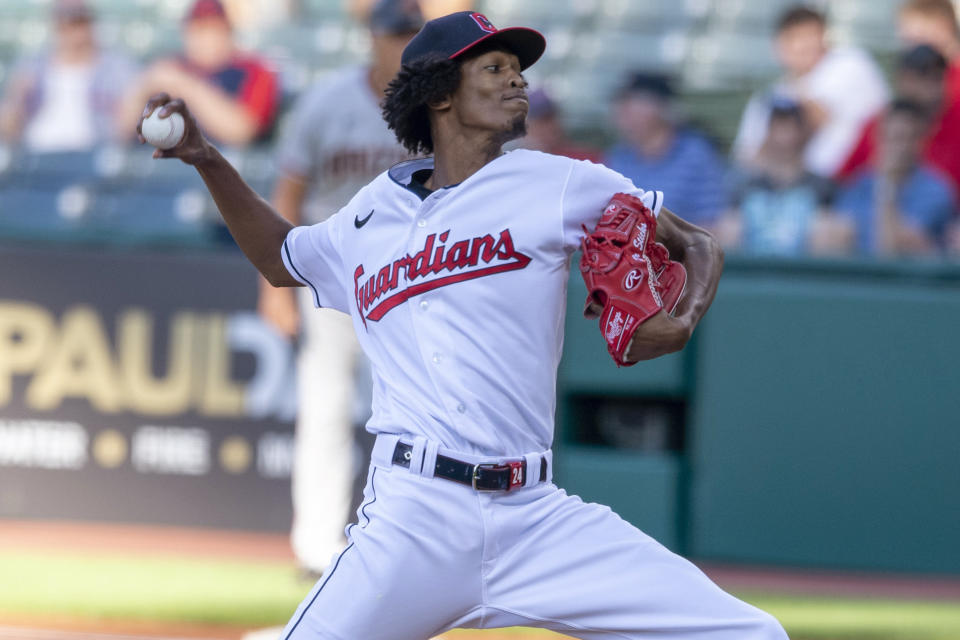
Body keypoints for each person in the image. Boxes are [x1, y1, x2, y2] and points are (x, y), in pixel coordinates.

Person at [137, 11, 787, 639]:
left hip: (535, 517)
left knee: (752, 633)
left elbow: (697, 244)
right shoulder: (371, 215)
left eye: (518, 68)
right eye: (495, 66)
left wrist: (682, 321)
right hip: (416, 517)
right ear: (441, 93)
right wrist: (207, 159)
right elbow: (282, 257)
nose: (517, 79)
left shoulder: (562, 183)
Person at [257, 0, 424, 580]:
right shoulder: (327, 99)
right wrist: (274, 282)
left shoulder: (438, 106)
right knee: (324, 408)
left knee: (409, 416)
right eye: (391, 34)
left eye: (409, 34)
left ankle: (398, 540)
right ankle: (315, 547)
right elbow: (288, 191)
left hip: (409, 279)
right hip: (331, 271)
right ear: (371, 38)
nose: (398, 44)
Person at [732, 6, 888, 177]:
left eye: (810, 36)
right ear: (778, 45)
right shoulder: (767, 97)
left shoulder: (851, 63)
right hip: (794, 189)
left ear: (824, 36)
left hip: (857, 178)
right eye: (794, 38)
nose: (803, 45)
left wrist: (796, 85)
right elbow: (747, 157)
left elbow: (817, 118)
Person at [119, 0, 279, 147]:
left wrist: (186, 86)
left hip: (221, 169)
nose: (205, 39)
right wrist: (143, 89)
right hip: (161, 166)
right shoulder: (168, 66)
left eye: (213, 30)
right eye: (197, 30)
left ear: (228, 32)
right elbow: (120, 131)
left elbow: (242, 132)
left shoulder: (255, 70)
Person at [0, 0, 137, 152]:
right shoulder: (31, 66)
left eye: (78, 20)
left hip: (92, 154)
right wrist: (17, 98)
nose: (72, 29)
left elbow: (128, 127)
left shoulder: (118, 68)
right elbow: (7, 129)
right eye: (65, 20)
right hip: (36, 153)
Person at [717, 98, 839, 255]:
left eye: (790, 127)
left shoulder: (822, 186)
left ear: (802, 134)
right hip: (754, 271)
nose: (783, 136)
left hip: (804, 272)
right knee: (729, 226)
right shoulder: (743, 184)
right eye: (777, 126)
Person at [604, 72, 727, 227]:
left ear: (657, 108)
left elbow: (712, 219)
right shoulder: (620, 156)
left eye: (629, 105)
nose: (621, 113)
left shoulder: (695, 153)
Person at [835, 99, 955, 255]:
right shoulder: (860, 183)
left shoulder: (936, 190)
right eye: (888, 137)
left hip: (908, 278)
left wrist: (886, 186)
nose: (895, 147)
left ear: (919, 141)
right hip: (861, 276)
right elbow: (837, 237)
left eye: (903, 137)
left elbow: (893, 249)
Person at [837, 44, 960, 193]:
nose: (930, 89)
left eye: (937, 78)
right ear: (902, 81)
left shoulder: (955, 120)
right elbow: (846, 180)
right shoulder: (880, 124)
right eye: (921, 77)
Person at [898, 0, 960, 106]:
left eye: (917, 37)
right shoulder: (916, 73)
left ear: (943, 27)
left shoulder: (953, 78)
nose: (910, 46)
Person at [516, 88, 601, 161]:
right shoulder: (512, 164)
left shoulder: (584, 159)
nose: (551, 126)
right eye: (542, 121)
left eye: (553, 118)